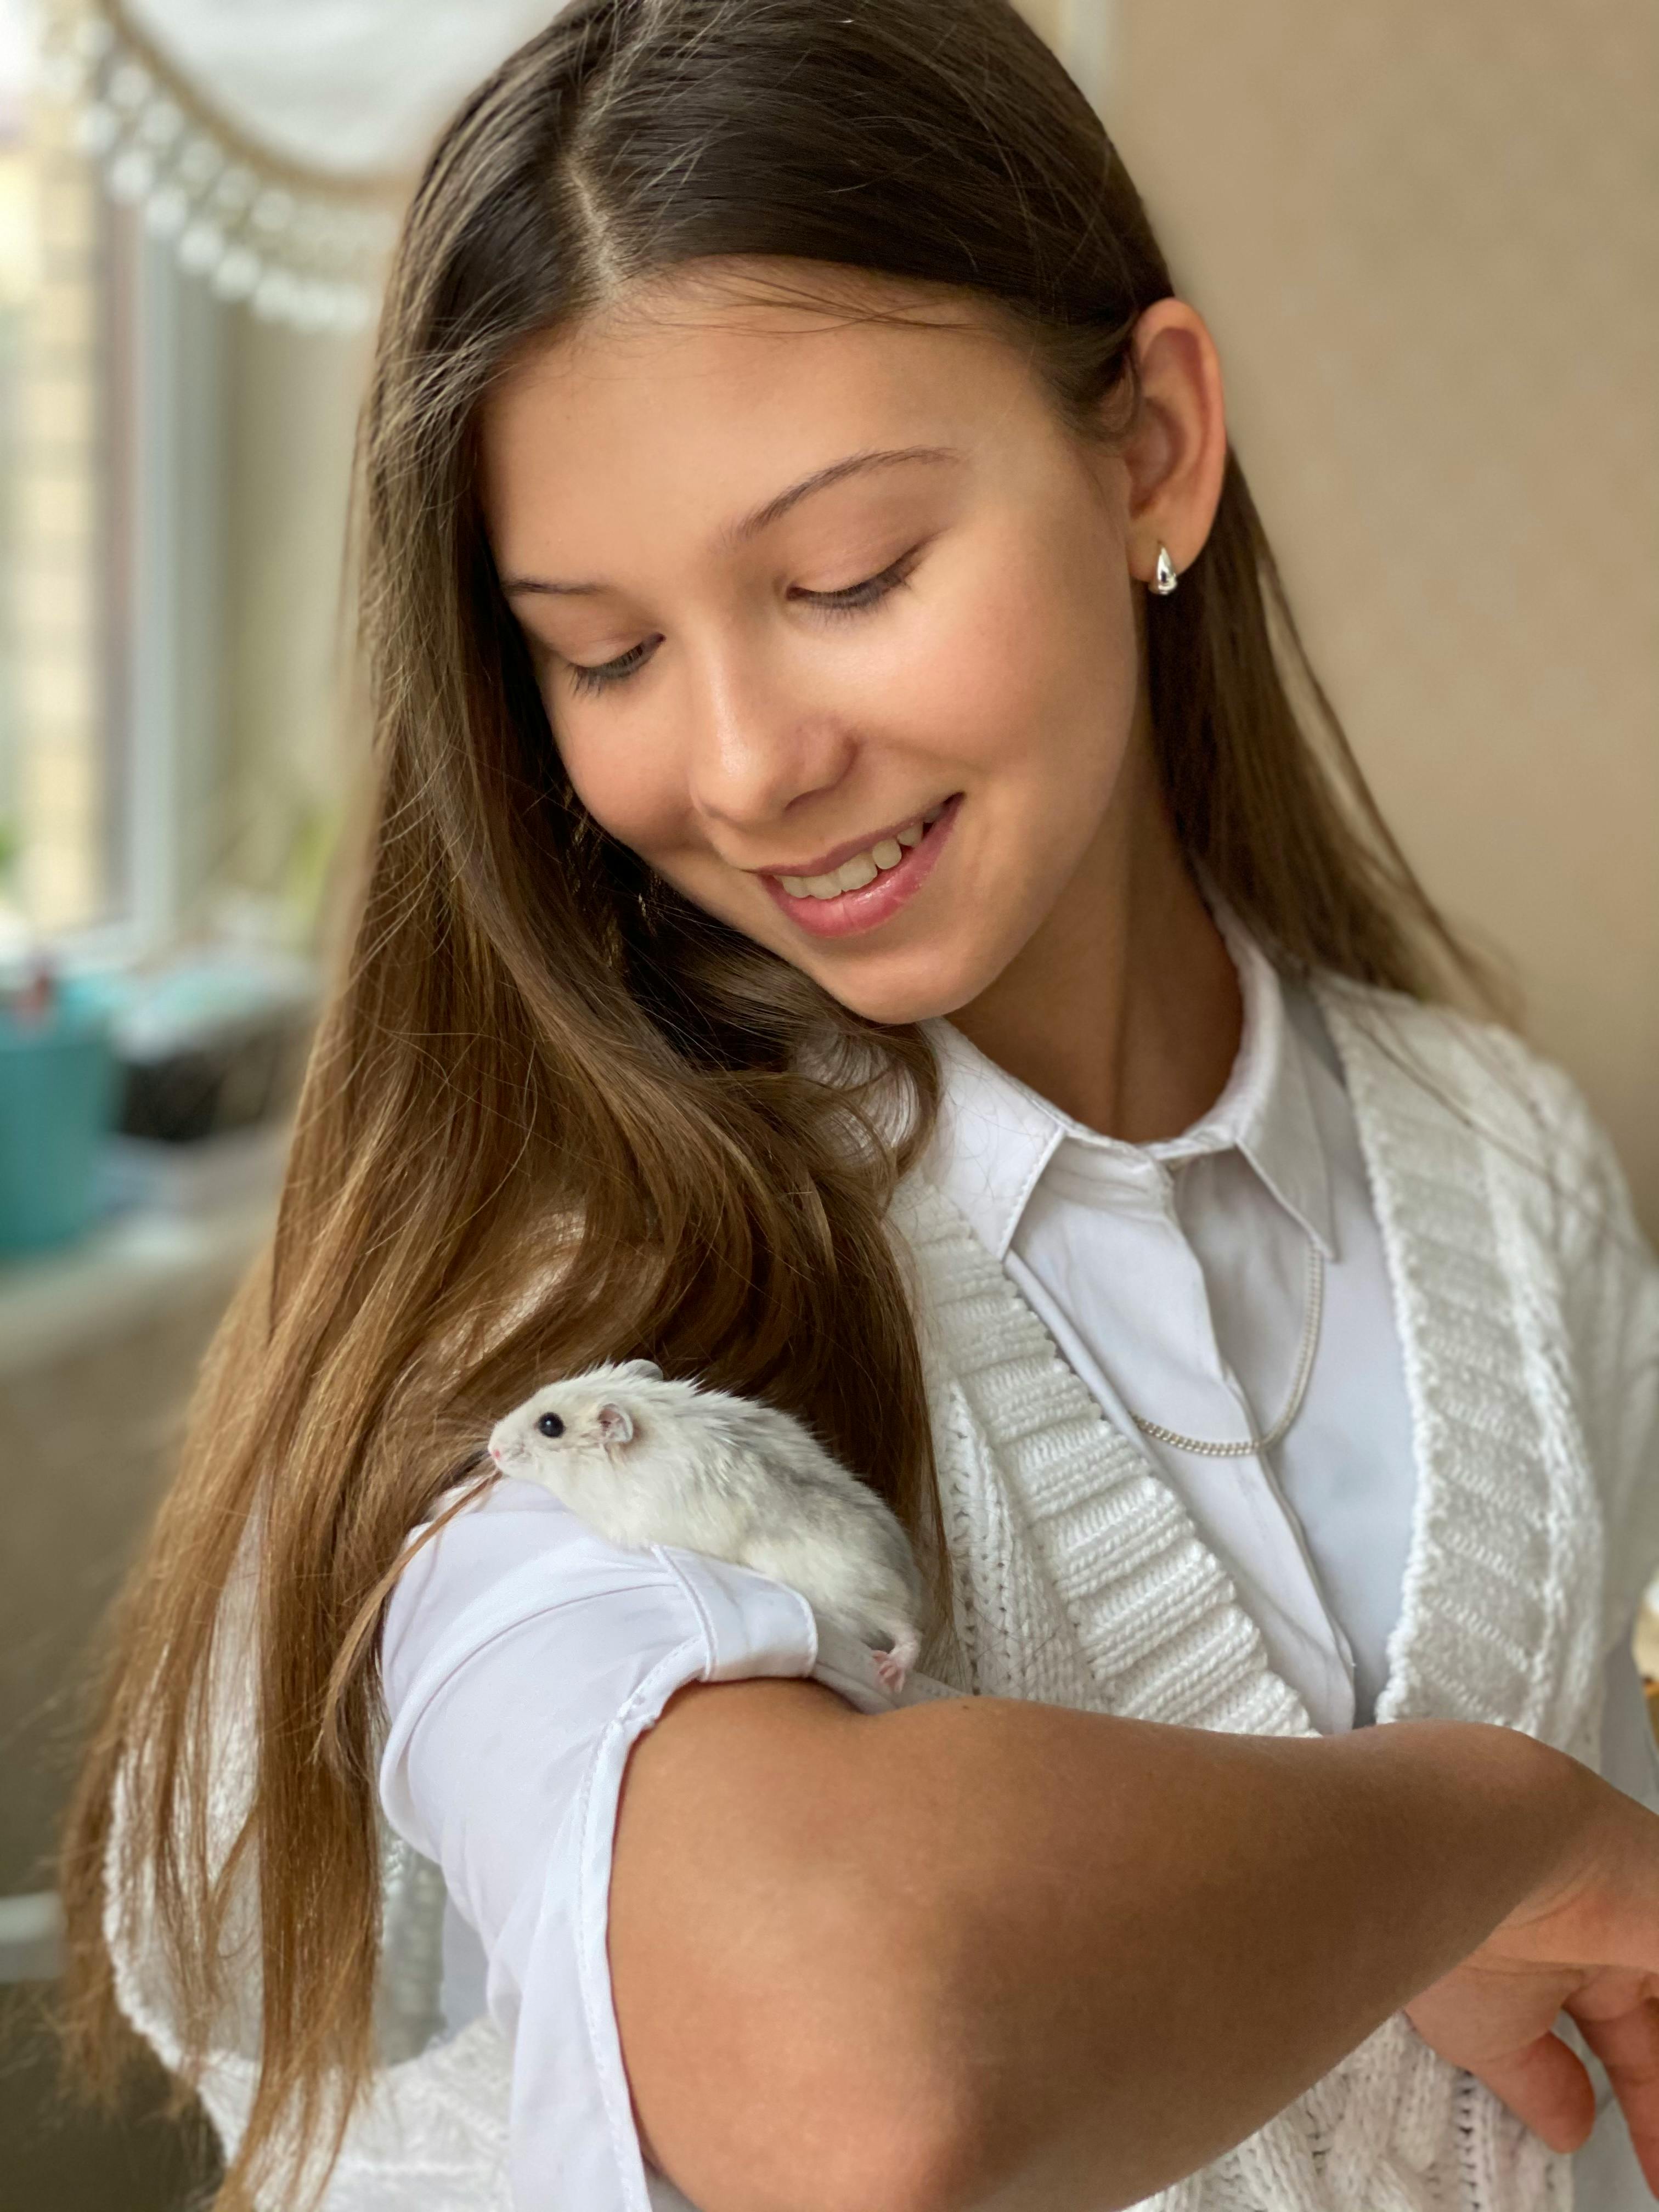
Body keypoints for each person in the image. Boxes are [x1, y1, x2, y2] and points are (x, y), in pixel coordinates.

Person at [60, 1, 1659, 2207]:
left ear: (1154, 451)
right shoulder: (568, 1333)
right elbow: (859, 2070)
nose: (739, 764)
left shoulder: (1508, 1170)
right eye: (604, 653)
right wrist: (1494, 1835)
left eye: (843, 580)